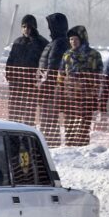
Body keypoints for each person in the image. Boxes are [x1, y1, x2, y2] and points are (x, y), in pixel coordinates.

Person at [59, 25, 103, 146]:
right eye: (71, 39)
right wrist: (60, 91)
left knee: (83, 125)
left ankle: (83, 149)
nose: (73, 42)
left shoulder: (94, 55)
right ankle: (69, 147)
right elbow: (61, 73)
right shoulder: (67, 54)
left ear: (82, 39)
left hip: (86, 96)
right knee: (69, 125)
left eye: (76, 39)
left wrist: (96, 93)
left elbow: (99, 75)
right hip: (70, 96)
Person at [5, 15, 49, 123]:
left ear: (34, 27)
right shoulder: (17, 42)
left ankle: (27, 138)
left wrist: (39, 79)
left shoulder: (42, 43)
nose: (26, 29)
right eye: (24, 26)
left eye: (29, 27)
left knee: (28, 116)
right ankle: (13, 138)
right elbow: (10, 60)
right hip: (16, 84)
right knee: (13, 115)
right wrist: (9, 75)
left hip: (31, 85)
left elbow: (44, 63)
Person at [37, 13, 70, 141]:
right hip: (48, 87)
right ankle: (49, 141)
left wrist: (46, 83)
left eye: (50, 25)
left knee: (48, 119)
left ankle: (50, 142)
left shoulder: (59, 43)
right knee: (47, 118)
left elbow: (53, 65)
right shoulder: (55, 42)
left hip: (50, 89)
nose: (49, 28)